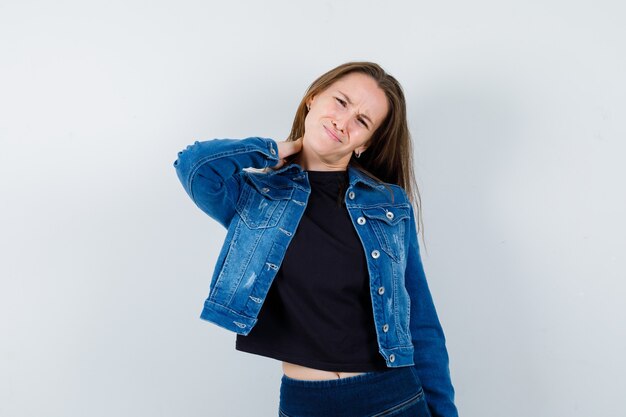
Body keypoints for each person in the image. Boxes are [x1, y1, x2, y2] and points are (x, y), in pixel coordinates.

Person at [173, 62, 458, 417]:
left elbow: (422, 323)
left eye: (362, 121)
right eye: (340, 102)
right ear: (313, 98)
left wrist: (444, 412)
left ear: (365, 144)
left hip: (393, 399)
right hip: (306, 405)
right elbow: (195, 166)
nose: (344, 121)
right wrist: (274, 151)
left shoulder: (389, 206)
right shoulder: (257, 199)